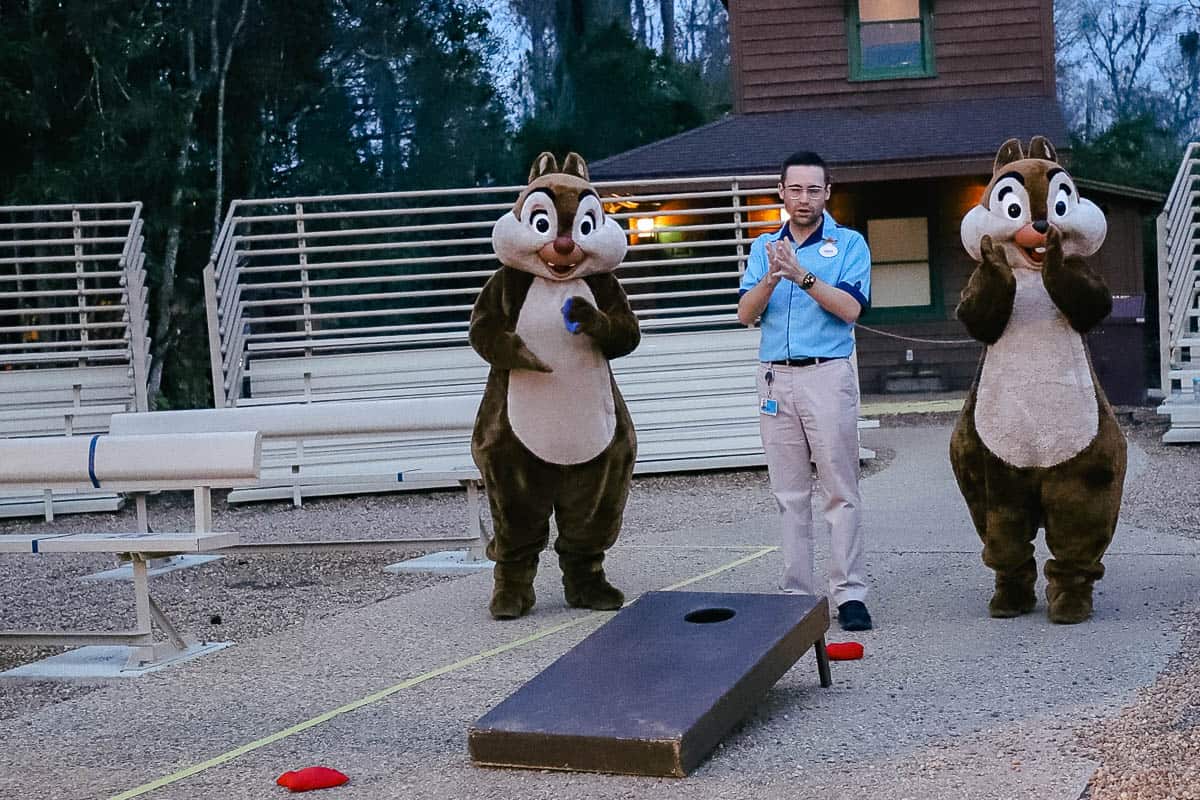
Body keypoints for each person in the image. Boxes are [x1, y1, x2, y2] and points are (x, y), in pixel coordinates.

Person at [736, 150, 873, 632]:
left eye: (814, 190)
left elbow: (852, 309)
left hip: (827, 374)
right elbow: (745, 314)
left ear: (828, 193)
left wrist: (804, 276)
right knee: (789, 492)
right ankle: (796, 593)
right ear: (781, 191)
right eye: (795, 189)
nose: (804, 199)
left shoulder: (849, 243)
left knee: (840, 488)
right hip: (775, 376)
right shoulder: (763, 247)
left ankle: (850, 594)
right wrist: (774, 276)